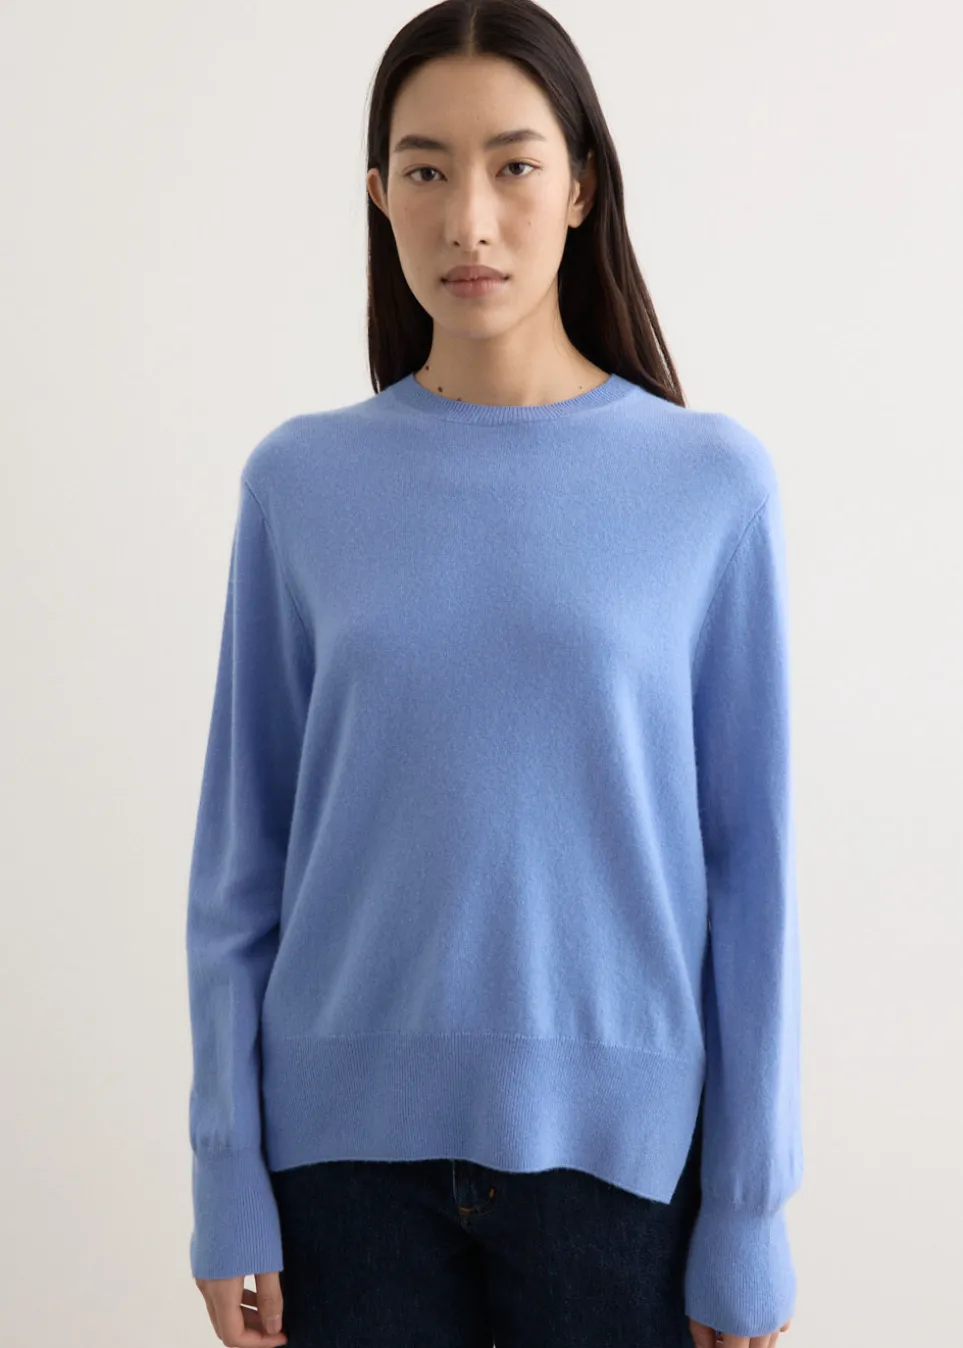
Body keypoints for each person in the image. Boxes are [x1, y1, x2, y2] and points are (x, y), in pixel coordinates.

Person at [185, 2, 803, 1345]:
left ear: (580, 186)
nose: (468, 219)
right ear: (378, 194)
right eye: (425, 169)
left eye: (514, 165)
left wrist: (750, 1209)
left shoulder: (708, 485)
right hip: (339, 1180)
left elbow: (751, 876)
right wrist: (225, 1173)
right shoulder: (300, 484)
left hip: (622, 1179)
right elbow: (240, 865)